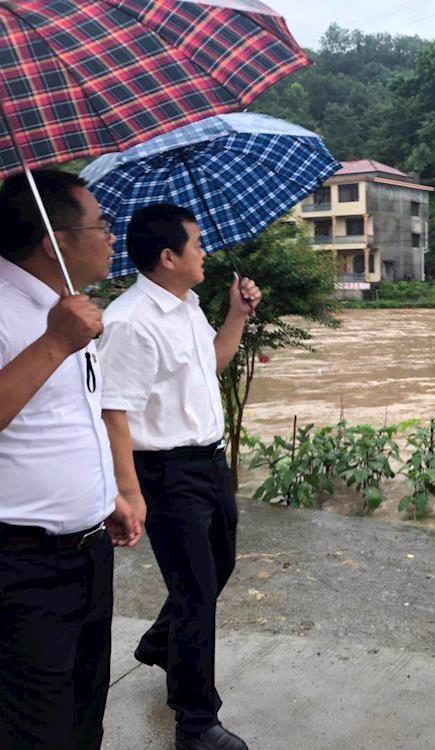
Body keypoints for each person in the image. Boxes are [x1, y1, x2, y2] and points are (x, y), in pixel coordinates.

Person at [98, 204, 260, 750]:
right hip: (165, 473)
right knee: (195, 593)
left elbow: (211, 363)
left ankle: (162, 642)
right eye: (196, 244)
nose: (205, 252)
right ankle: (196, 722)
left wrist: (236, 314)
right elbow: (113, 410)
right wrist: (128, 490)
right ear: (168, 257)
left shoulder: (185, 306)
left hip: (208, 463)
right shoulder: (129, 321)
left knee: (218, 567)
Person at [0, 170, 141, 749]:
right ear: (52, 237)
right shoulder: (16, 313)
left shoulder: (69, 310)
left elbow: (64, 423)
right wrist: (55, 343)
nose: (112, 237)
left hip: (87, 553)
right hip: (21, 566)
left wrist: (104, 492)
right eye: (101, 224)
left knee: (84, 712)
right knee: (34, 728)